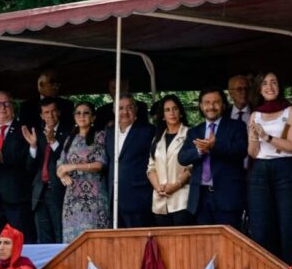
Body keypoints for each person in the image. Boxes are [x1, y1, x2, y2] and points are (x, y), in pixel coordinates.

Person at [247, 72, 292, 263]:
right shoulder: (255, 114)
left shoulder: (291, 110)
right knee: (261, 227)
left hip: (286, 169)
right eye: (264, 83)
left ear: (280, 86)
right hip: (260, 171)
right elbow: (253, 152)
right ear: (259, 88)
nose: (269, 87)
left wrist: (267, 137)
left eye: (274, 82)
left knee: (289, 225)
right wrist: (254, 138)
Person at [178, 87, 247, 228]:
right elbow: (182, 158)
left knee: (229, 239)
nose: (211, 106)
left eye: (216, 102)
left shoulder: (236, 126)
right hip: (201, 198)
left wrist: (214, 146)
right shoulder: (194, 131)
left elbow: (241, 151)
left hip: (228, 196)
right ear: (201, 106)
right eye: (207, 102)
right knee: (205, 240)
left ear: (223, 105)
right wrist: (199, 150)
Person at [0, 91, 34, 242]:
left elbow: (28, 160)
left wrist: (4, 158)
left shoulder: (23, 130)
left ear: (13, 106)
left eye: (6, 103)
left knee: (19, 242)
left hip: (16, 197)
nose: (2, 108)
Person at [57, 102, 109, 243]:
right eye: (78, 113)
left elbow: (100, 164)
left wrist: (73, 166)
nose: (82, 116)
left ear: (93, 117)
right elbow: (60, 164)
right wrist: (62, 174)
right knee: (72, 241)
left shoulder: (99, 136)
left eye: (86, 113)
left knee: (94, 240)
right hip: (72, 199)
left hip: (94, 197)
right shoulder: (70, 138)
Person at [105, 95, 155, 228]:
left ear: (136, 109)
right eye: (120, 108)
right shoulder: (109, 132)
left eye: (129, 107)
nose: (125, 112)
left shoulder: (148, 131)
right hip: (114, 198)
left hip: (138, 198)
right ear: (114, 111)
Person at [23, 97, 69, 243]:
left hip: (58, 190)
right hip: (39, 190)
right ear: (41, 116)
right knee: (43, 236)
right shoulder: (37, 133)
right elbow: (30, 167)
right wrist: (33, 146)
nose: (50, 115)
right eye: (46, 112)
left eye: (53, 111)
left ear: (59, 112)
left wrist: (53, 141)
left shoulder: (68, 132)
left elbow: (66, 159)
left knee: (59, 232)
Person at [146, 95, 193, 226]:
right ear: (163, 116)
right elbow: (151, 168)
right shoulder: (157, 138)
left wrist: (176, 185)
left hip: (182, 199)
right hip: (160, 200)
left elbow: (192, 167)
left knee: (182, 237)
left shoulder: (190, 134)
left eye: (175, 109)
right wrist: (158, 187)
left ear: (181, 112)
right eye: (167, 110)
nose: (172, 113)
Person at [19, 70, 75, 134]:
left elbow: (70, 128)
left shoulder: (67, 105)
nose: (56, 85)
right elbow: (24, 129)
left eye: (57, 82)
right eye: (52, 82)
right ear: (41, 84)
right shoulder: (26, 106)